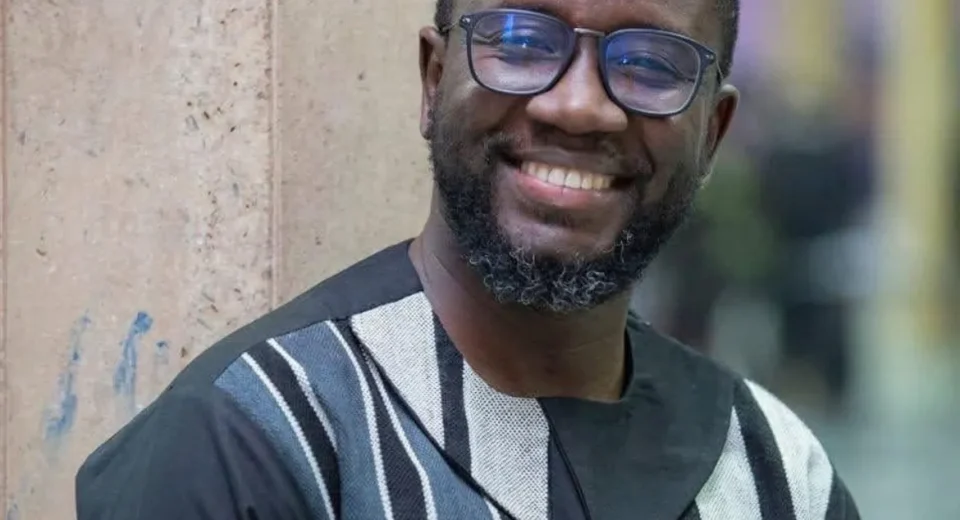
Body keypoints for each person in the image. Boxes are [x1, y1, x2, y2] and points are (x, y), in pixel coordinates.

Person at [76, 0, 861, 518]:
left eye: (650, 64)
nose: (578, 105)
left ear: (713, 133)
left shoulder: (774, 472)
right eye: (520, 41)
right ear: (433, 80)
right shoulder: (253, 440)